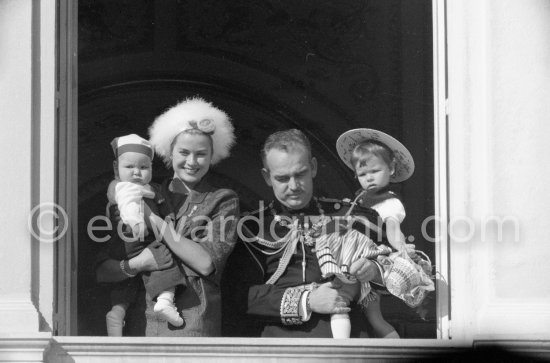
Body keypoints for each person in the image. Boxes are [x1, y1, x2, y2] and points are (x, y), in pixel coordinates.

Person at [96, 97, 240, 337]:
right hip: (139, 323)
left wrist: (153, 218)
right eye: (184, 152)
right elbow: (104, 269)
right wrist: (136, 265)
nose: (192, 162)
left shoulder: (223, 200)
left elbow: (205, 262)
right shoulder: (145, 192)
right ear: (170, 153)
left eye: (201, 154)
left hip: (191, 322)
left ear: (212, 155)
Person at [233, 129, 384, 338]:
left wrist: (373, 270)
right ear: (267, 177)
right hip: (280, 350)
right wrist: (308, 300)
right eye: (282, 178)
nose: (293, 186)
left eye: (300, 174)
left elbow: (397, 270)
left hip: (350, 347)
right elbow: (241, 297)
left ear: (312, 167)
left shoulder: (355, 215)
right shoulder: (251, 228)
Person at [326, 128, 433, 338]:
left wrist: (400, 247)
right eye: (363, 174)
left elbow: (393, 228)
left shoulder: (389, 202)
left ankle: (341, 350)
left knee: (340, 300)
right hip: (352, 257)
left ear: (391, 168)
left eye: (374, 171)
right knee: (374, 318)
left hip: (365, 260)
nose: (369, 178)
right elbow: (344, 224)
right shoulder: (358, 200)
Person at [105, 133, 186, 336]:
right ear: (116, 169)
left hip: (125, 247)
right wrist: (136, 224)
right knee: (166, 260)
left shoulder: (149, 188)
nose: (136, 173)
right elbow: (128, 206)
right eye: (129, 167)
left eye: (143, 167)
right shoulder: (124, 188)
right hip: (135, 237)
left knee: (127, 284)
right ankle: (166, 301)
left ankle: (117, 313)